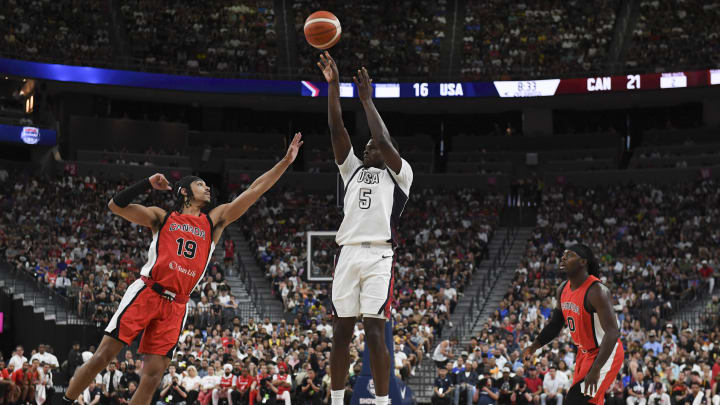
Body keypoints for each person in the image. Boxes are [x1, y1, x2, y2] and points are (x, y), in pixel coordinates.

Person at [61, 133, 303, 405]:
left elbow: (254, 190)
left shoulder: (215, 221)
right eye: (201, 184)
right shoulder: (161, 217)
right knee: (103, 357)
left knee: (153, 376)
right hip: (148, 291)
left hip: (177, 304)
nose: (208, 188)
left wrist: (285, 162)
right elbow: (116, 206)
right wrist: (147, 183)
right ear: (185, 192)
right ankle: (67, 401)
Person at [317, 51, 414, 405]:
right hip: (348, 253)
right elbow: (336, 128)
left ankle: (382, 401)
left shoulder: (400, 174)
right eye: (367, 145)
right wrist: (333, 87)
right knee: (341, 331)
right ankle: (338, 399)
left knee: (375, 331)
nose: (369, 145)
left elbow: (385, 141)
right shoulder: (352, 170)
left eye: (375, 145)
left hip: (378, 255)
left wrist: (367, 102)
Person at [523, 244, 624, 405]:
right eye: (563, 254)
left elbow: (613, 333)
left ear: (583, 262)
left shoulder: (596, 290)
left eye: (569, 255)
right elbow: (556, 324)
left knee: (574, 400)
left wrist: (596, 369)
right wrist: (535, 345)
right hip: (584, 354)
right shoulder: (563, 288)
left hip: (605, 352)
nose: (563, 257)